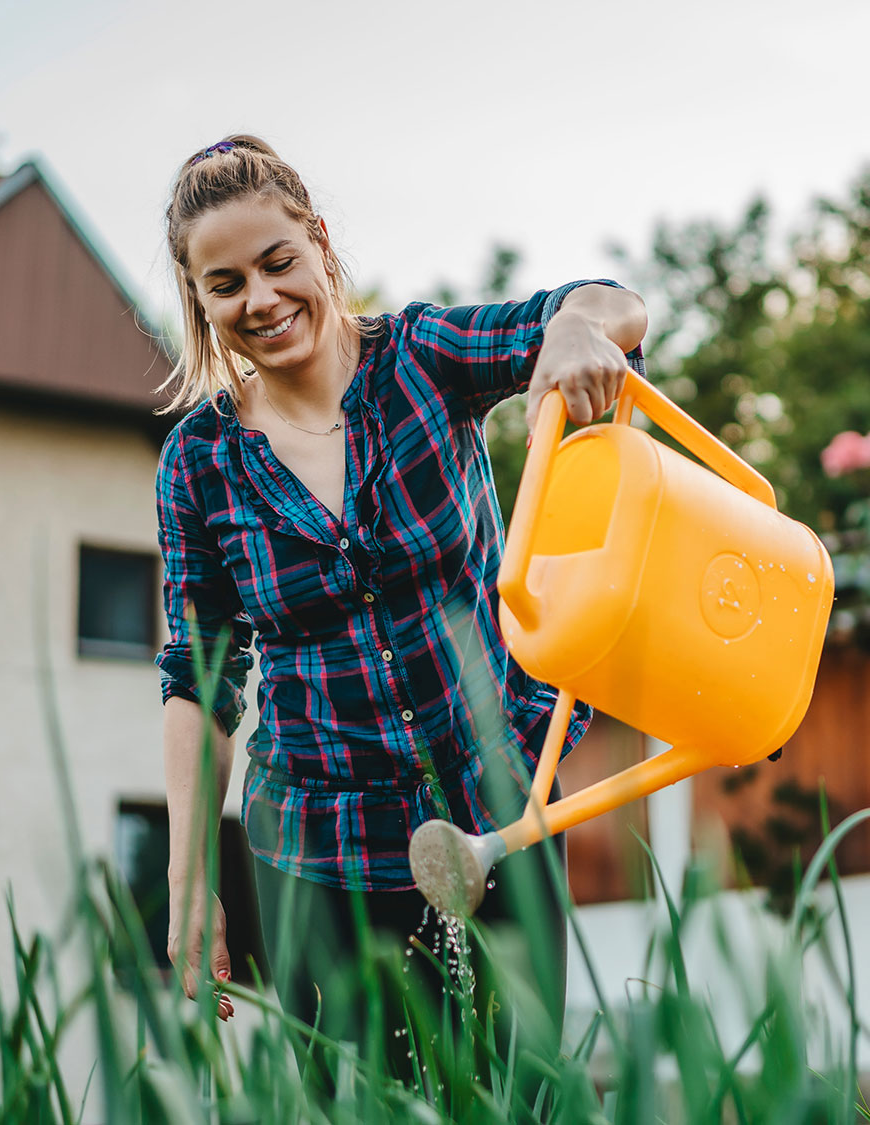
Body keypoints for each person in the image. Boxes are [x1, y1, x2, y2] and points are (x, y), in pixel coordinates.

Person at [151, 135, 645, 1076]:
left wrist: (580, 328)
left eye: (276, 262)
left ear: (320, 245)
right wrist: (189, 872)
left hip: (495, 811)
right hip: (319, 850)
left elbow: (607, 303)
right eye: (225, 283)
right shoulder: (200, 464)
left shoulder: (422, 359)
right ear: (201, 302)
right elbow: (199, 675)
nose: (259, 298)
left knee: (520, 1090)